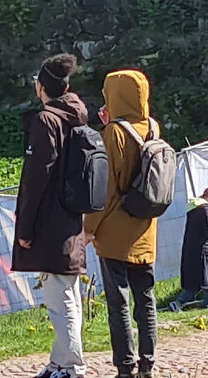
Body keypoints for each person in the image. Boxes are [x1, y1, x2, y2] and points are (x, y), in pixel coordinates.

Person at [12, 54, 91, 378]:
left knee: (61, 298)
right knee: (64, 293)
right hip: (71, 218)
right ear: (67, 86)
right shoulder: (77, 117)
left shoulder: (47, 120)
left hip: (49, 221)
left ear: (41, 87)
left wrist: (25, 226)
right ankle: (60, 362)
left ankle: (72, 367)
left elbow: (36, 177)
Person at [82, 69, 162, 378]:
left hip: (115, 231)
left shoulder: (113, 133)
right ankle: (148, 364)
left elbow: (106, 188)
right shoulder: (153, 127)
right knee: (146, 300)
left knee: (119, 303)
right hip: (145, 226)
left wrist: (89, 228)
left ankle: (125, 367)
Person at [169, 186, 208, 312]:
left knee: (193, 285)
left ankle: (177, 303)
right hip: (206, 251)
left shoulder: (193, 209)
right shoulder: (206, 209)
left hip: (192, 251)